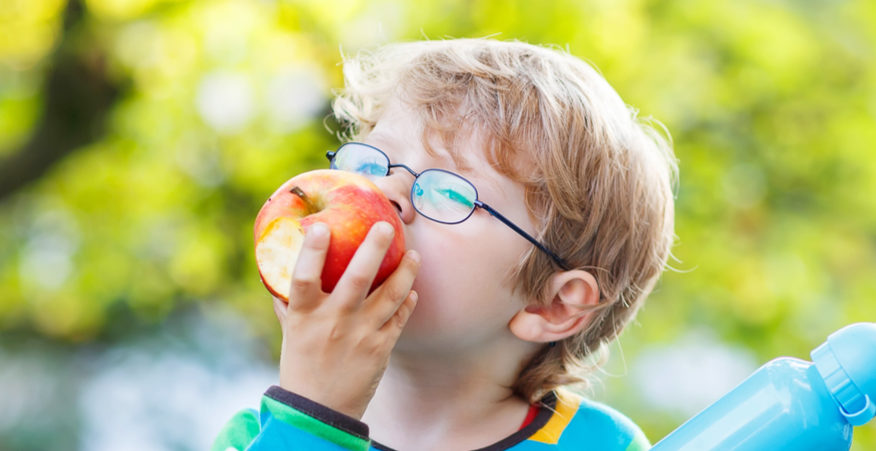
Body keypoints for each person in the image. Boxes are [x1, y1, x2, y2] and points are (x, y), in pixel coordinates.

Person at [213, 38, 677, 451]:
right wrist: (310, 418)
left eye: (449, 191)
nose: (384, 192)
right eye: (373, 163)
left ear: (552, 305)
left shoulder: (598, 446)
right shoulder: (257, 438)